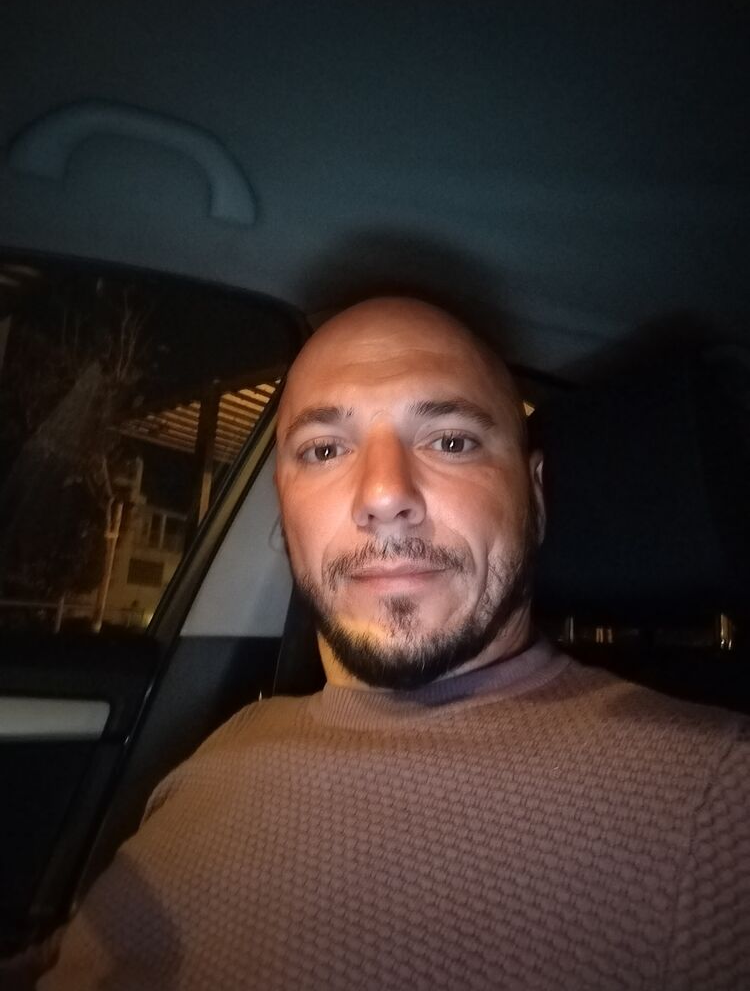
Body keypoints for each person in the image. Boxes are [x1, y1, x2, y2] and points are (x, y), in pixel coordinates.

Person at [36, 298, 749, 989]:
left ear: (534, 497)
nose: (383, 494)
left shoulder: (715, 801)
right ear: (285, 511)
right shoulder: (227, 744)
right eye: (324, 450)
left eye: (451, 441)